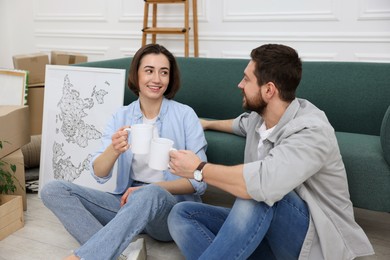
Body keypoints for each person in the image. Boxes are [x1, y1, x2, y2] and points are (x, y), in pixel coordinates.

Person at [167, 43, 374, 260]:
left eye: (246, 79)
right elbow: (240, 123)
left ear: (268, 90)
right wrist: (207, 124)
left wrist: (198, 169)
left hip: (316, 244)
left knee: (257, 193)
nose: (239, 84)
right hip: (269, 235)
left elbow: (262, 184)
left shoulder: (312, 131)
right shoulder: (260, 119)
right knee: (182, 214)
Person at [40, 43, 207, 260]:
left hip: (168, 210)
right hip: (127, 204)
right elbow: (99, 173)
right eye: (149, 71)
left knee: (151, 193)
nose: (156, 79)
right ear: (136, 75)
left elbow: (200, 180)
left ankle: (85, 257)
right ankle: (122, 254)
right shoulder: (121, 116)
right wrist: (114, 149)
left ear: (170, 78)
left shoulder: (186, 115)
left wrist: (154, 188)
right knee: (52, 190)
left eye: (163, 72)